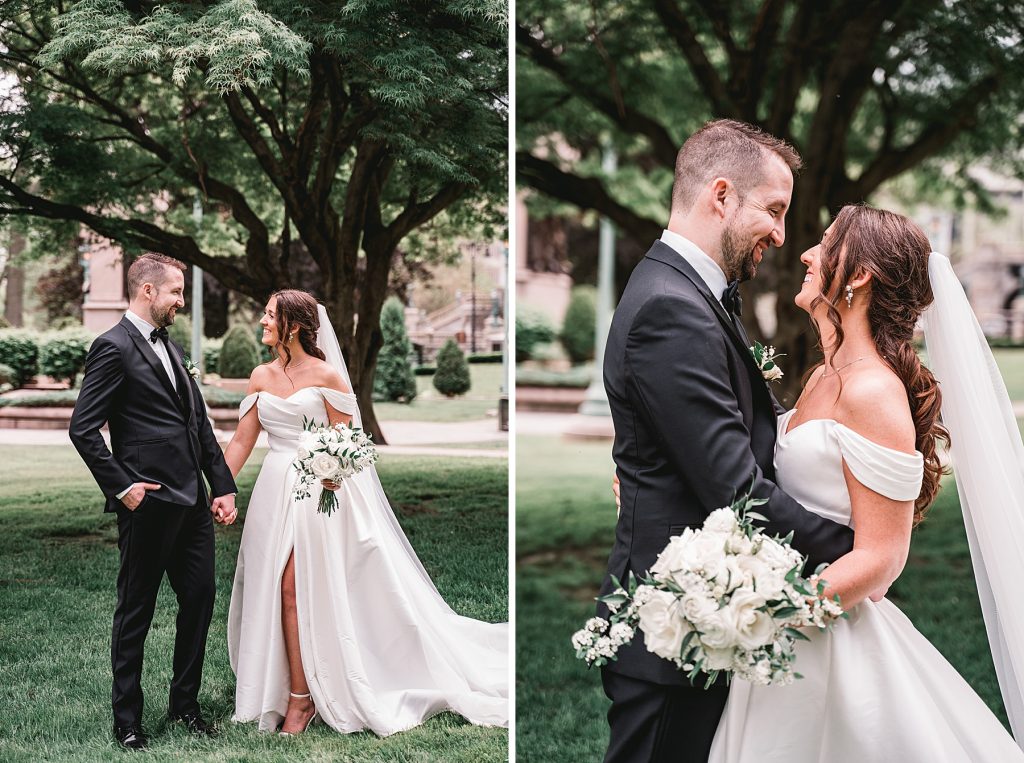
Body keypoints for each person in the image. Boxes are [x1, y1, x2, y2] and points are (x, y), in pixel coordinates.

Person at [706, 205, 1024, 761]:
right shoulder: (822, 378)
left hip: (817, 636)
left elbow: (881, 559)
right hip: (778, 630)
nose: (805, 254)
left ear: (857, 276)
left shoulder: (873, 392)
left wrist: (765, 616)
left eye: (825, 245)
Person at [599, 119, 855, 763]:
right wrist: (859, 550)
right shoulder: (672, 307)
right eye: (773, 210)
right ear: (721, 195)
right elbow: (737, 491)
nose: (782, 234)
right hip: (674, 631)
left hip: (705, 614)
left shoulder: (689, 294)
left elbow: (736, 433)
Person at [222, 289, 508, 736]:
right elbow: (241, 442)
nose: (261, 321)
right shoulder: (260, 376)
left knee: (296, 588)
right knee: (272, 587)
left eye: (269, 315)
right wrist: (220, 490)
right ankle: (280, 687)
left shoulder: (328, 376)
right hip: (272, 493)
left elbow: (350, 442)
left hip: (321, 495)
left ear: (293, 326)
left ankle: (302, 700)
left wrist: (331, 471)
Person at [69, 253, 237, 751]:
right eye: (176, 293)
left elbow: (196, 424)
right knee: (136, 610)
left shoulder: (174, 347)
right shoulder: (112, 347)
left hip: (192, 505)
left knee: (201, 598)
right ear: (147, 292)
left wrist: (222, 484)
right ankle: (128, 721)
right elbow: (84, 428)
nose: (181, 301)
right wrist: (125, 487)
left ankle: (184, 705)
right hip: (149, 504)